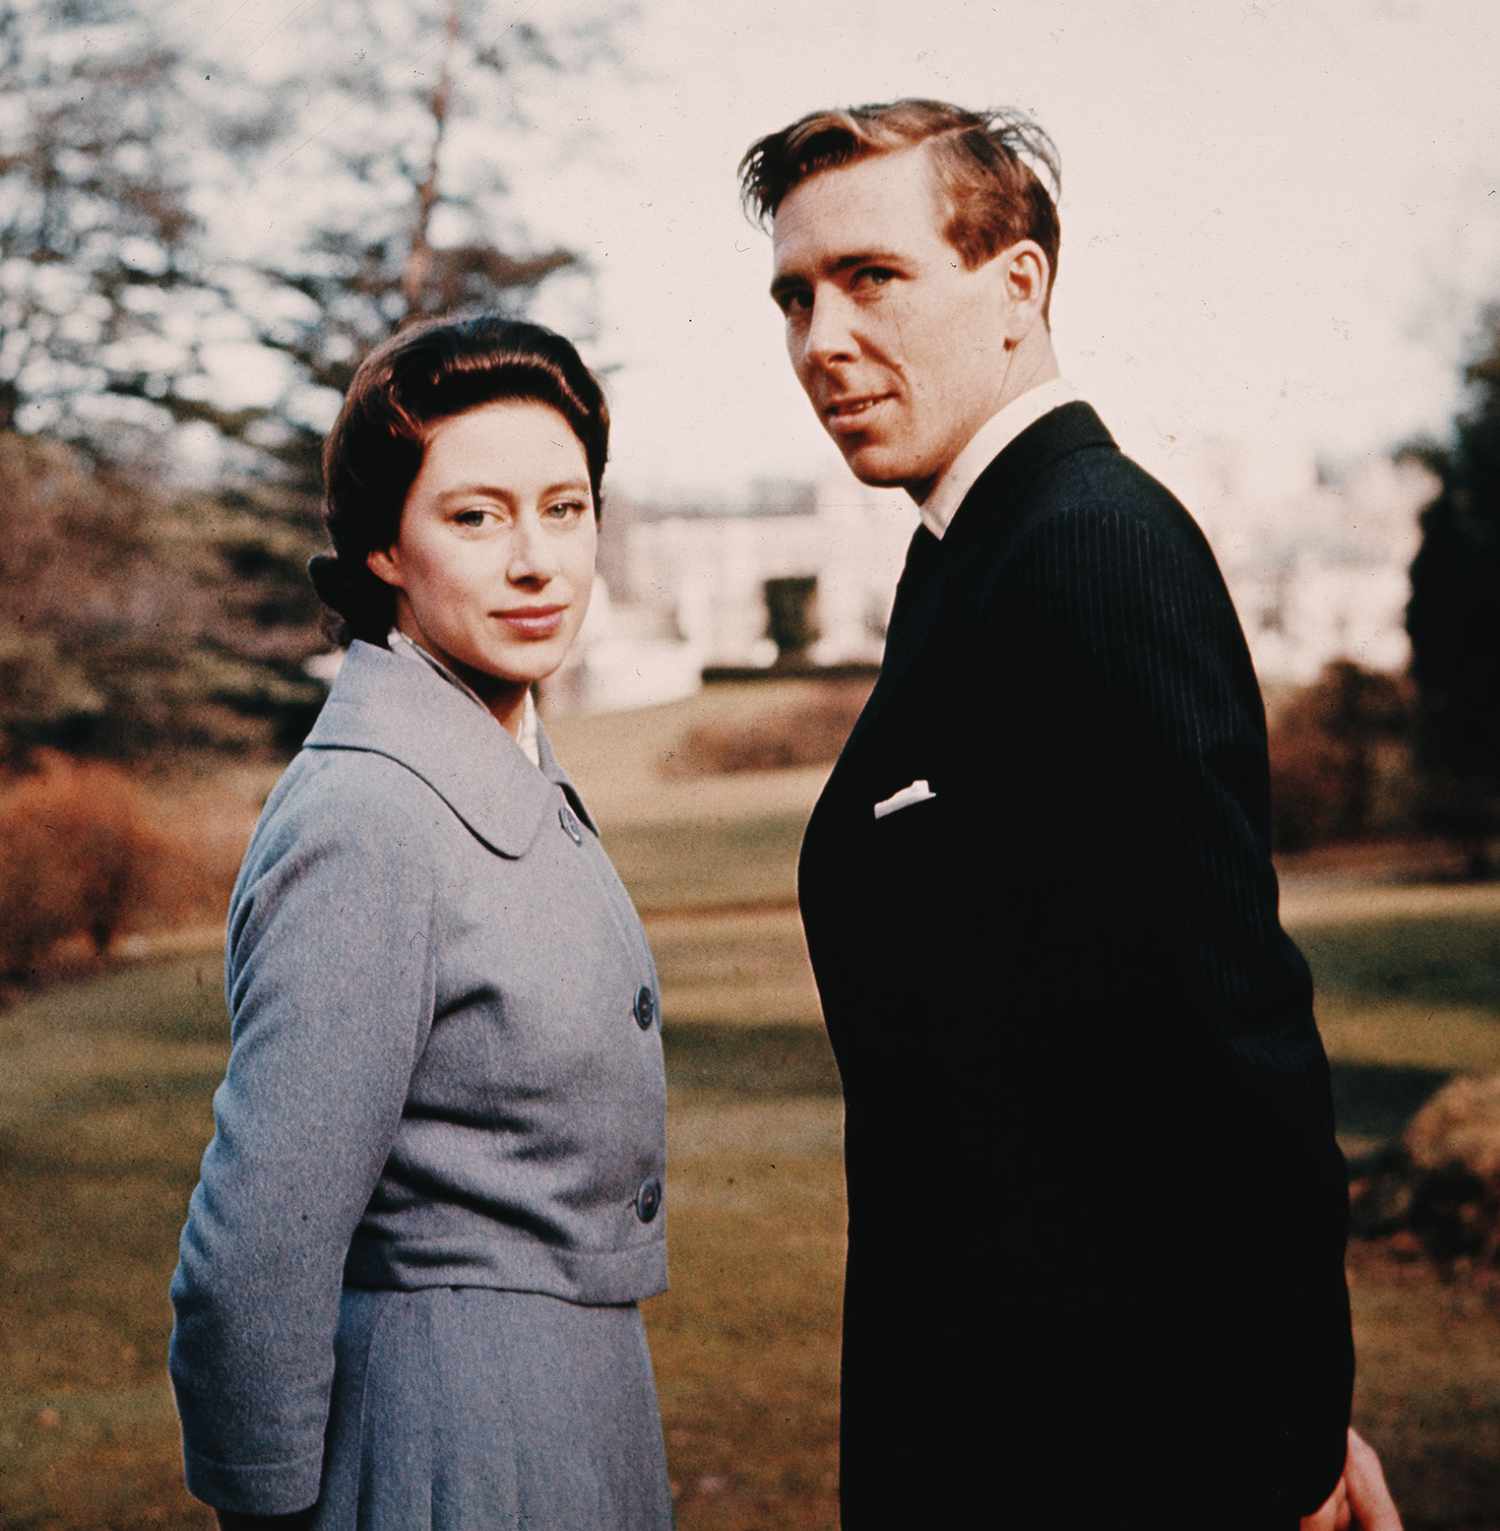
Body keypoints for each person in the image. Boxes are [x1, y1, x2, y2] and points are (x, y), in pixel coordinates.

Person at [739, 100, 1402, 1529]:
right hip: (1002, 1421)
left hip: (1108, 1446)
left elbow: (1234, 1039)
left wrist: (1281, 1446)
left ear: (1018, 286)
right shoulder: (971, 555)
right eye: (794, 295)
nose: (819, 341)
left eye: (872, 277)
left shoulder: (1089, 550)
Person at [168, 315, 673, 1530]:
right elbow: (251, 1261)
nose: (537, 560)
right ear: (385, 548)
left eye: (565, 508)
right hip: (445, 1447)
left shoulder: (503, 764)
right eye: (477, 515)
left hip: (573, 1424)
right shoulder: (370, 815)